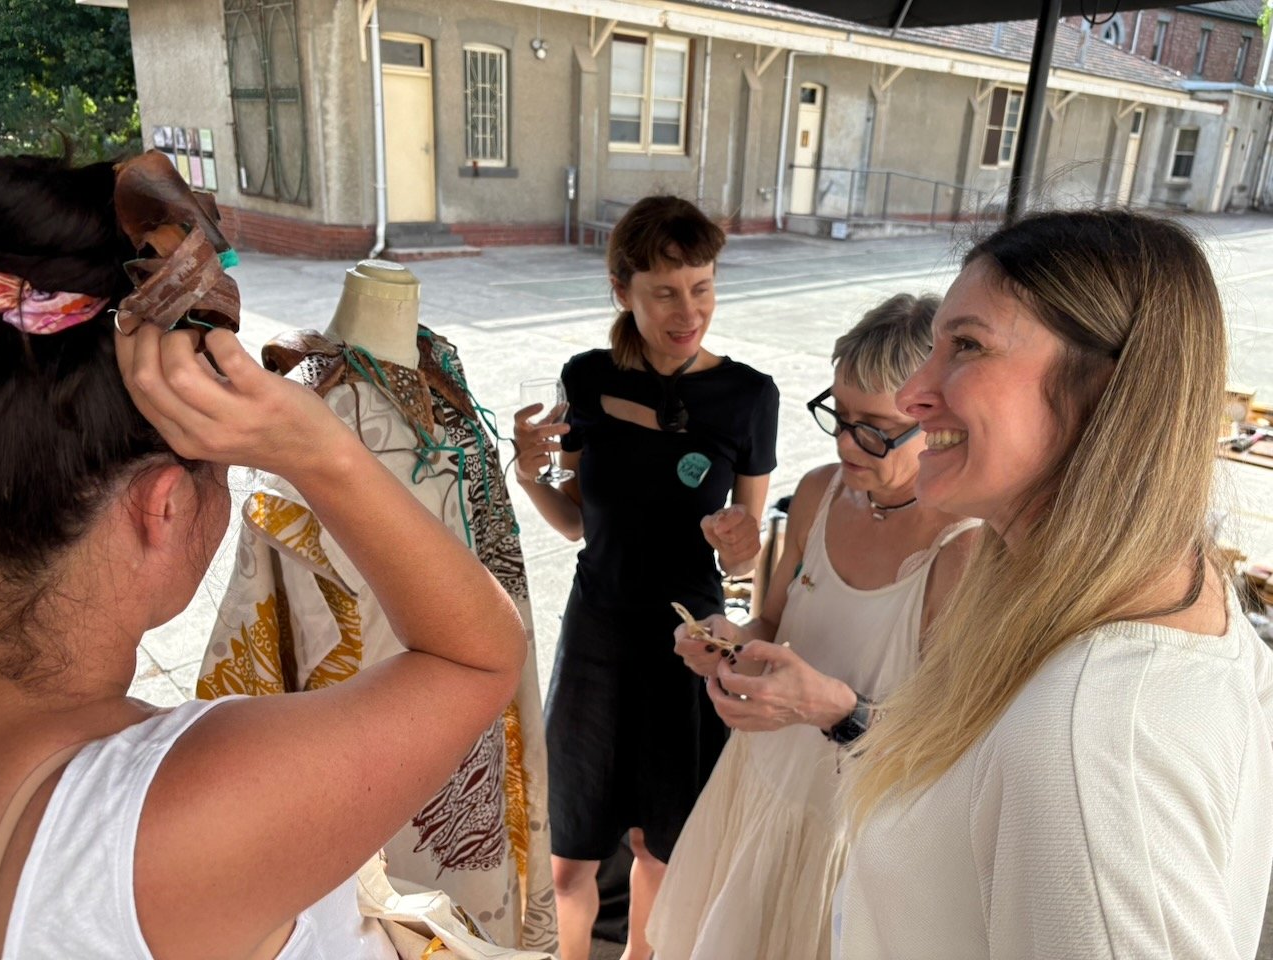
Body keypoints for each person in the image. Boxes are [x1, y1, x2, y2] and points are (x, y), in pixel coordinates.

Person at [0, 153, 525, 958]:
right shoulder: (177, 819)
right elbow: (477, 660)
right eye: (226, 466)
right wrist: (321, 451)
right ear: (163, 507)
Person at [831, 210, 1273, 959]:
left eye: (967, 346)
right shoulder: (1155, 591)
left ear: (1111, 389)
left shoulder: (1096, 736)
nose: (912, 394)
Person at [197, 260, 557, 952]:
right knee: (397, 906)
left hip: (484, 704)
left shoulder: (442, 375)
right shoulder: (313, 411)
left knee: (485, 881)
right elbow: (269, 626)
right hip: (380, 725)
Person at [646, 293, 977, 960]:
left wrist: (834, 709)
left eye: (875, 429)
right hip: (760, 779)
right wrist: (727, 639)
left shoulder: (962, 549)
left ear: (934, 420)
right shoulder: (820, 492)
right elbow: (773, 621)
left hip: (844, 827)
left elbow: (950, 746)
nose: (848, 443)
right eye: (840, 416)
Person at [511, 195, 779, 960]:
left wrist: (742, 544)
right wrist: (527, 474)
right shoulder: (586, 378)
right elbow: (576, 521)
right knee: (568, 855)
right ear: (622, 290)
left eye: (702, 287)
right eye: (664, 291)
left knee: (659, 846)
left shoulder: (749, 396)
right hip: (596, 631)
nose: (688, 311)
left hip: (687, 640)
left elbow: (743, 557)